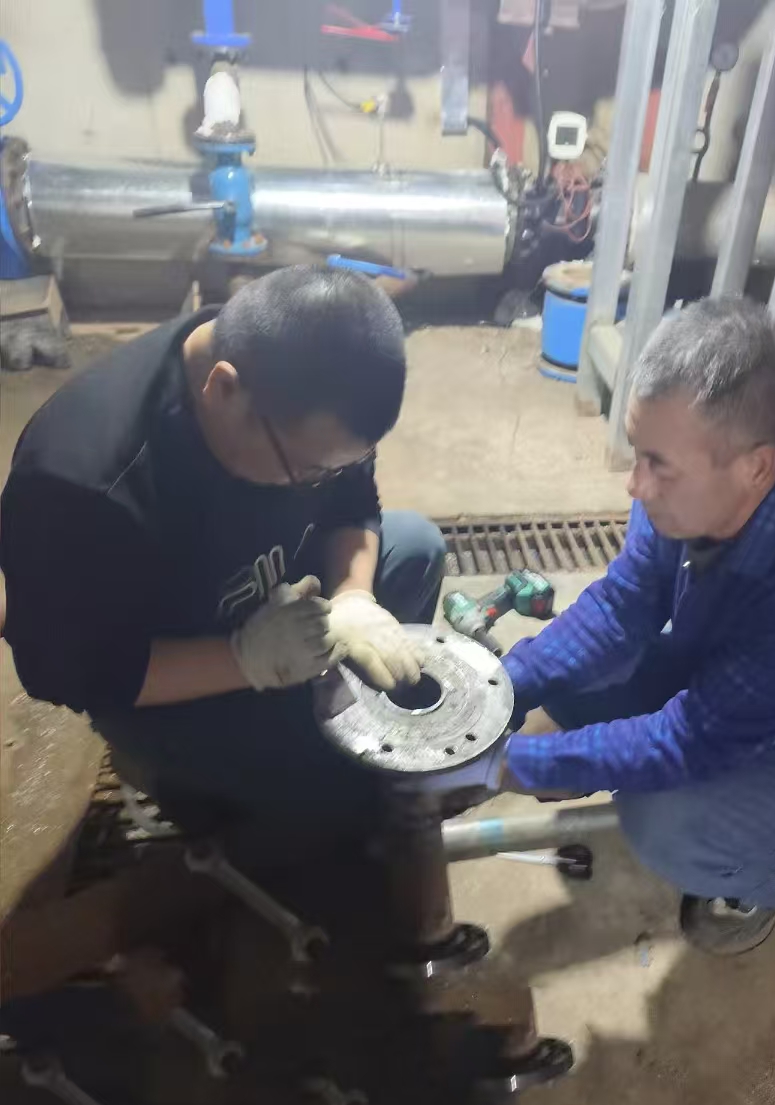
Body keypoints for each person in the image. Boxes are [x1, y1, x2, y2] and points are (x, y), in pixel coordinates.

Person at [495, 297, 775, 954]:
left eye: (659, 465)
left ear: (756, 466)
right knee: (560, 702)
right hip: (735, 669)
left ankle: (766, 880)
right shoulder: (691, 484)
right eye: (639, 453)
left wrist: (511, 767)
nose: (636, 485)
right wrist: (500, 685)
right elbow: (623, 605)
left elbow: (685, 743)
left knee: (662, 823)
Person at [0, 265, 446, 826]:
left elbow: (351, 498)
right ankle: (185, 785)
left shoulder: (305, 382)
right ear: (224, 390)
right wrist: (244, 661)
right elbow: (69, 670)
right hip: (173, 677)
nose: (323, 479)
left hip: (270, 592)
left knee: (415, 547)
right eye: (310, 470)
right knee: (331, 792)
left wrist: (354, 598)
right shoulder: (82, 486)